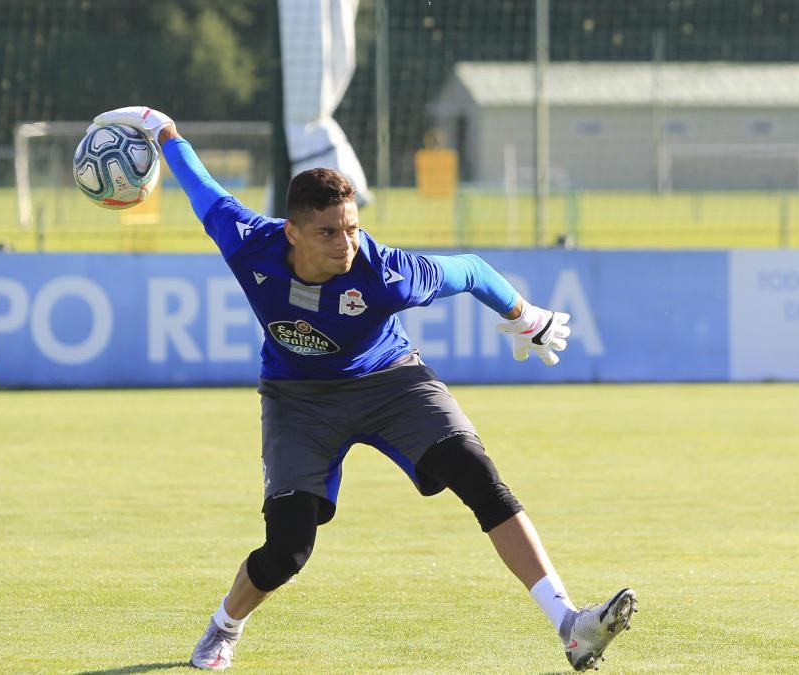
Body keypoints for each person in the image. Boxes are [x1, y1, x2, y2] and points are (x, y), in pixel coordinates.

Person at [91, 107, 636, 672]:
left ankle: (570, 624)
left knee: (476, 472)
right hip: (297, 400)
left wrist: (527, 316)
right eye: (328, 232)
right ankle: (224, 626)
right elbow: (199, 184)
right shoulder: (247, 242)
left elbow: (471, 269)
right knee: (288, 549)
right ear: (293, 232)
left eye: (351, 227)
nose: (345, 242)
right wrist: (163, 131)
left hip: (393, 381)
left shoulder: (385, 273)